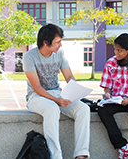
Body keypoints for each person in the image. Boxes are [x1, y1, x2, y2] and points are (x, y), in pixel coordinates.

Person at [23, 23, 90, 159]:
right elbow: (36, 87)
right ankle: (55, 156)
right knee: (52, 108)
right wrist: (57, 100)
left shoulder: (60, 53)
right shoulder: (29, 56)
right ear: (46, 42)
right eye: (57, 42)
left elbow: (69, 77)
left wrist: (75, 91)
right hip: (36, 97)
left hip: (56, 94)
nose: (60, 45)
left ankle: (81, 154)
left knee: (83, 109)